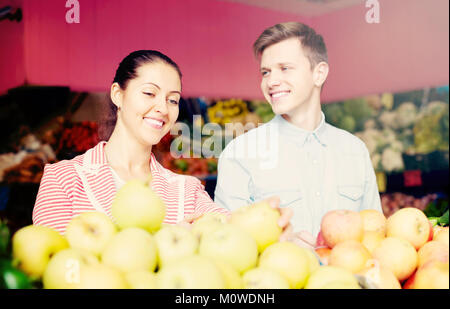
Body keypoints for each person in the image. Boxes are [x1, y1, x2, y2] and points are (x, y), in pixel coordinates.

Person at [32, 50, 292, 235]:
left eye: (173, 100)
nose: (162, 108)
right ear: (117, 95)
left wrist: (264, 222)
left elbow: (229, 229)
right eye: (149, 93)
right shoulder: (63, 179)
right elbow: (54, 264)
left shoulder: (187, 190)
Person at [214, 22, 382, 245]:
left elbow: (375, 234)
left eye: (284, 68)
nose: (271, 81)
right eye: (266, 72)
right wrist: (279, 245)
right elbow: (226, 244)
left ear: (319, 74)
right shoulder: (239, 154)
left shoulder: (355, 150)